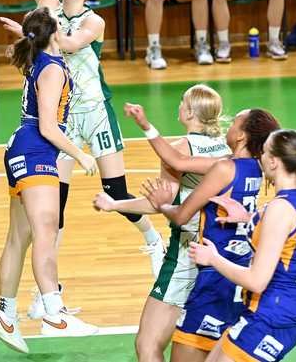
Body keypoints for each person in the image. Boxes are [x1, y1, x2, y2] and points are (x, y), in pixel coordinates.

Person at [0, 0, 166, 317]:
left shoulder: (93, 20)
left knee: (116, 191)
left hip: (95, 111)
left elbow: (68, 44)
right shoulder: (49, 11)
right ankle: (47, 292)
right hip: (62, 117)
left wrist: (31, 31)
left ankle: (152, 238)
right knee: (56, 209)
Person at [0, 0, 99, 354]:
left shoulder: (44, 52)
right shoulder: (51, 67)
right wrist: (80, 154)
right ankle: (53, 312)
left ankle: (4, 312)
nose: (54, 4)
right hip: (36, 147)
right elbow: (50, 127)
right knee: (46, 229)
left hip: (22, 146)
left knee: (20, 236)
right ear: (52, 31)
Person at [93, 87, 231, 362]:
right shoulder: (227, 148)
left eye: (182, 102)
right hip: (222, 256)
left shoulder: (179, 149)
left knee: (148, 344)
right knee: (205, 346)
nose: (178, 106)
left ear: (189, 113)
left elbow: (159, 203)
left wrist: (114, 204)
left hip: (186, 256)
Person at [140, 108, 280, 362]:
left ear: (242, 136)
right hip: (238, 273)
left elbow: (181, 216)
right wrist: (145, 125)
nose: (229, 125)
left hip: (213, 277)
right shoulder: (256, 167)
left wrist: (162, 205)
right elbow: (178, 161)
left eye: (235, 122)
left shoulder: (225, 168)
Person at [188, 129, 296, 362]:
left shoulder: (280, 209)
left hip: (271, 317)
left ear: (273, 162)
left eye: (263, 152)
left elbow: (256, 280)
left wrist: (213, 258)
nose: (260, 157)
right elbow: (287, 239)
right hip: (274, 311)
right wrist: (247, 219)